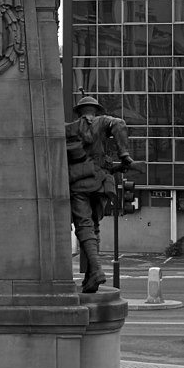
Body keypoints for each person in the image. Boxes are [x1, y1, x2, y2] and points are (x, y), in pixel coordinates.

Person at [66, 96, 133, 294]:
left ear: (79, 111)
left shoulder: (70, 128)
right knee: (93, 226)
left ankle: (95, 270)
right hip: (102, 182)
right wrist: (124, 155)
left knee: (84, 225)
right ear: (95, 110)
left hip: (79, 182)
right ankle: (90, 275)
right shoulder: (103, 122)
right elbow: (119, 123)